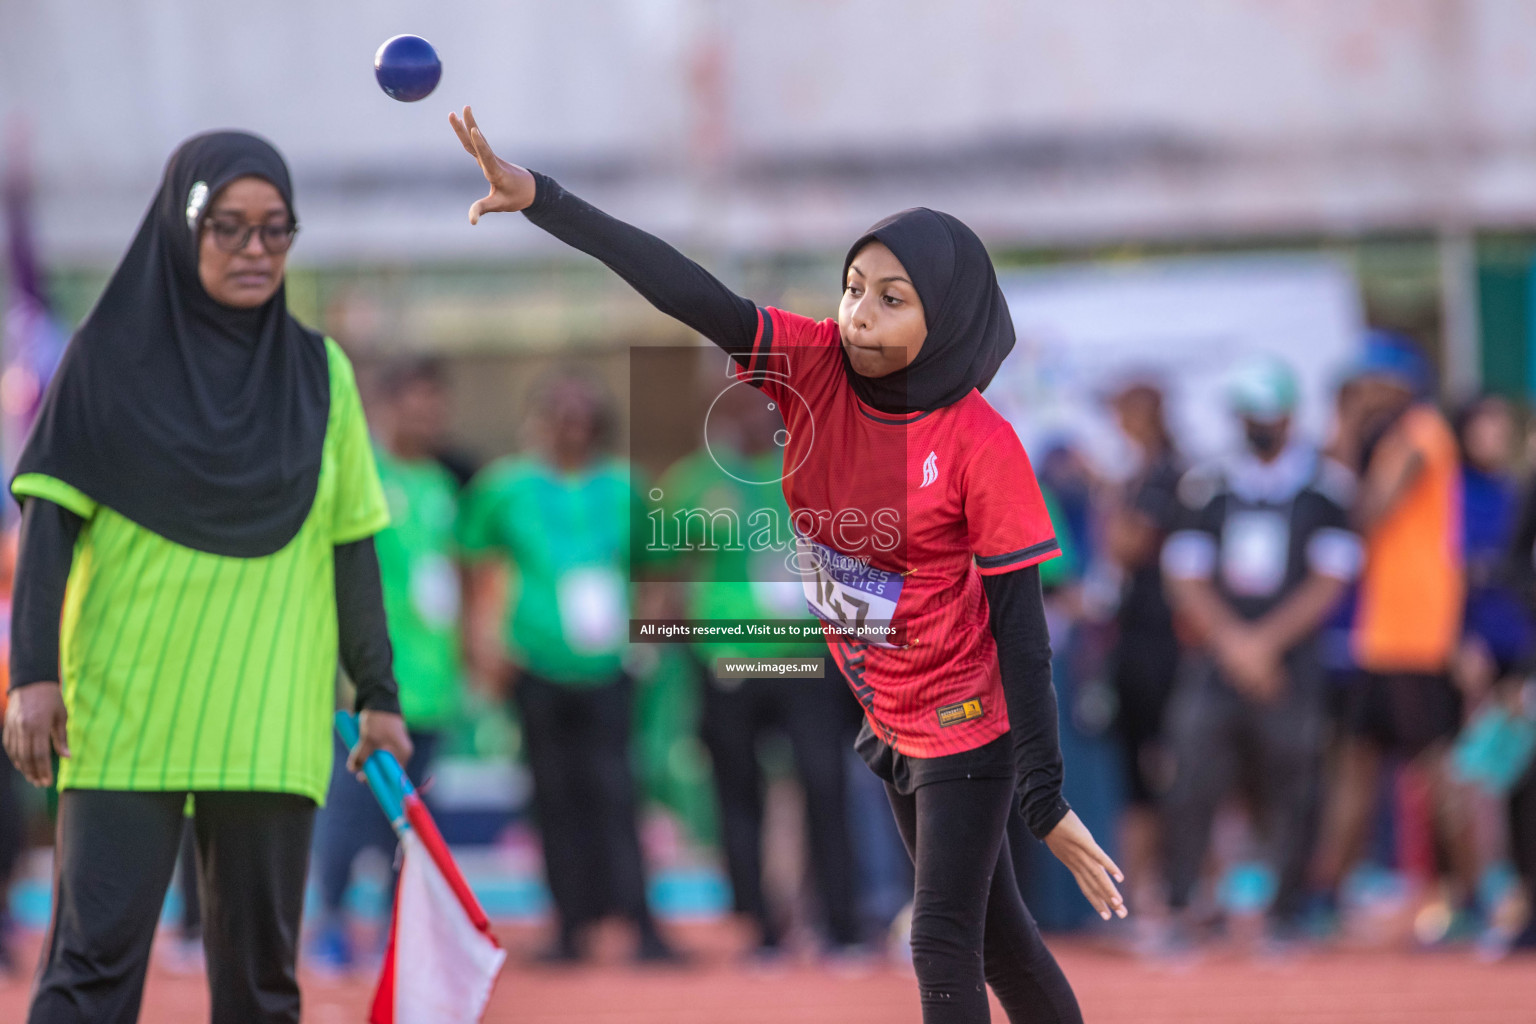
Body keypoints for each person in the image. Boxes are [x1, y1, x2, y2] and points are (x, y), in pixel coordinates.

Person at [449, 105, 1122, 1023]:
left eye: (894, 298)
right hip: (888, 705)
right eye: (855, 286)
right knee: (998, 936)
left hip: (966, 716)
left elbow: (1023, 630)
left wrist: (1044, 797)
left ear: (950, 313)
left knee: (940, 942)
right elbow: (687, 291)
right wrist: (544, 201)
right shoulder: (809, 368)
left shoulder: (979, 442)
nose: (860, 313)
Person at [1, 132, 411, 1024]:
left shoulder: (322, 375)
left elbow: (353, 547)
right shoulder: (102, 361)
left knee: (262, 987)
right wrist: (33, 675)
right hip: (124, 711)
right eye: (228, 228)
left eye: (275, 230)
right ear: (181, 229)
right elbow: (47, 524)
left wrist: (379, 694)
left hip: (271, 714)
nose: (255, 250)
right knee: (89, 972)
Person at [458, 370, 681, 965]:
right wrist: (486, 646)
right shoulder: (503, 488)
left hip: (610, 666)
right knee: (553, 796)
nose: (573, 429)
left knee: (619, 791)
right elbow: (475, 568)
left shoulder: (623, 487)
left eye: (584, 419)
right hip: (535, 664)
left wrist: (648, 640)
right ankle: (570, 925)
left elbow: (654, 567)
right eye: (562, 417)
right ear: (540, 421)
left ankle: (639, 920)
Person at [1157, 356, 1359, 949]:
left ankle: (1286, 912)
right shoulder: (1207, 486)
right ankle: (1180, 907)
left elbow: (1330, 579)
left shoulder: (1326, 489)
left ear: (1291, 416)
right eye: (1247, 414)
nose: (1257, 425)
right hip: (1215, 662)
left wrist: (1264, 646)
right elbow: (1185, 575)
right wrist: (1236, 646)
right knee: (1192, 776)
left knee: (1294, 782)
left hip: (1290, 666)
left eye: (1266, 414)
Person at [656, 377, 862, 958]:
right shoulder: (691, 482)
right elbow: (668, 571)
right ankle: (759, 926)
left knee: (825, 783)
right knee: (737, 791)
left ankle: (841, 923)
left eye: (763, 404)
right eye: (738, 405)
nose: (751, 417)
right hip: (729, 662)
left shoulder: (816, 471)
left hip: (808, 658)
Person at [310, 358, 468, 972]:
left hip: (431, 682)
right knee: (348, 814)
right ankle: (327, 923)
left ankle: (385, 932)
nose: (429, 417)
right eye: (417, 403)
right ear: (385, 404)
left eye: (437, 405)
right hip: (368, 683)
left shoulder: (438, 486)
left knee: (407, 819)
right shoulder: (356, 474)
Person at [1311, 333, 1468, 922]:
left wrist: (1349, 425)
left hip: (1416, 630)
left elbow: (1366, 509)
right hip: (1381, 632)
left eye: (1370, 383)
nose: (1363, 395)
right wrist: (1347, 425)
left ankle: (1468, 895)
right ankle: (1326, 896)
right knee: (1355, 762)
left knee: (1433, 767)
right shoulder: (1391, 438)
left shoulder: (1421, 432)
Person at [1102, 379, 1185, 916]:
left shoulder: (1166, 475)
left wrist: (1108, 498)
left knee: (1174, 765)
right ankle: (1136, 897)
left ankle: (1176, 888)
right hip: (1133, 639)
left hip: (1166, 641)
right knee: (1136, 769)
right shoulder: (1139, 476)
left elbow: (1128, 545)